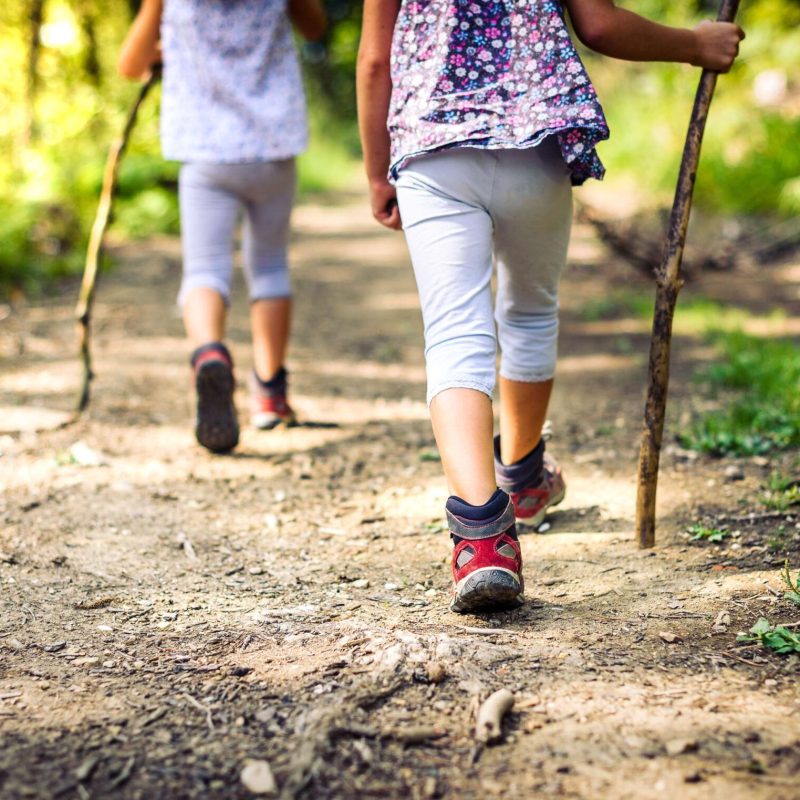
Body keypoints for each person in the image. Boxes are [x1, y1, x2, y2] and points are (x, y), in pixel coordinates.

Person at [357, 0, 744, 613]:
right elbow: (598, 24)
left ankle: (482, 538)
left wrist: (378, 172)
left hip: (433, 149)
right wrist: (694, 44)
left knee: (455, 333)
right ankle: (524, 477)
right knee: (530, 311)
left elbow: (377, 61)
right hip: (531, 144)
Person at [118, 0, 326, 453]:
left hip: (205, 151)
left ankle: (210, 352)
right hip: (272, 147)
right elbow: (315, 28)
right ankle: (270, 395)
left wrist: (165, 45)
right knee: (269, 267)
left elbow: (130, 64)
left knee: (205, 269)